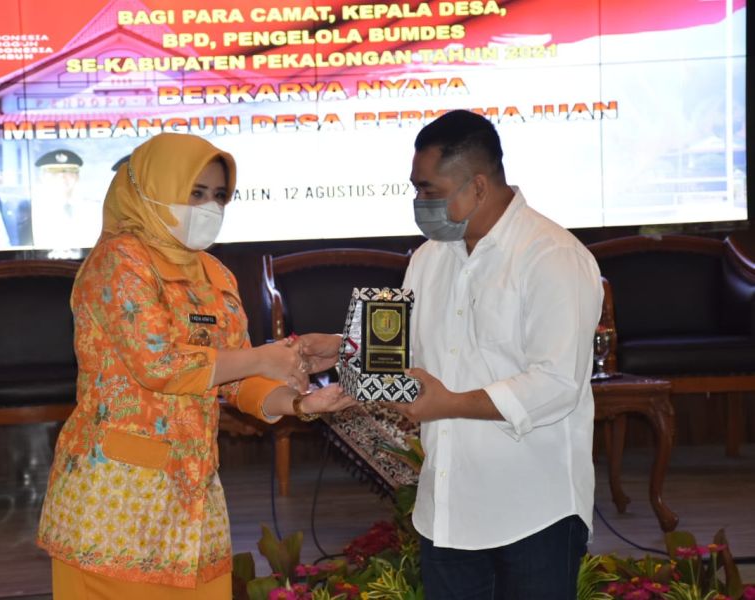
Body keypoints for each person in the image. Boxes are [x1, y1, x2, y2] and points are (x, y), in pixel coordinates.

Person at [36, 132, 354, 599]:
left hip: (193, 497)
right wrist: (264, 356)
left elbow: (237, 378)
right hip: (116, 500)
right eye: (195, 193)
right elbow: (159, 364)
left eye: (219, 196)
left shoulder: (214, 273)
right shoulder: (119, 260)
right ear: (152, 189)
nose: (209, 207)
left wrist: (301, 403)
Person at [308, 110, 603, 598]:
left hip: (533, 509)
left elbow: (556, 384)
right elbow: (410, 352)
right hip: (446, 509)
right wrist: (341, 348)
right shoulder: (429, 257)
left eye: (430, 190)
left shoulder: (552, 256)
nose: (419, 203)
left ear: (479, 186)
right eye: (415, 189)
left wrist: (450, 404)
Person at [31, 148, 102, 249]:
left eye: (68, 171)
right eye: (54, 172)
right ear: (42, 177)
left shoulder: (95, 209)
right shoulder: (32, 210)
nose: (62, 176)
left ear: (77, 176)